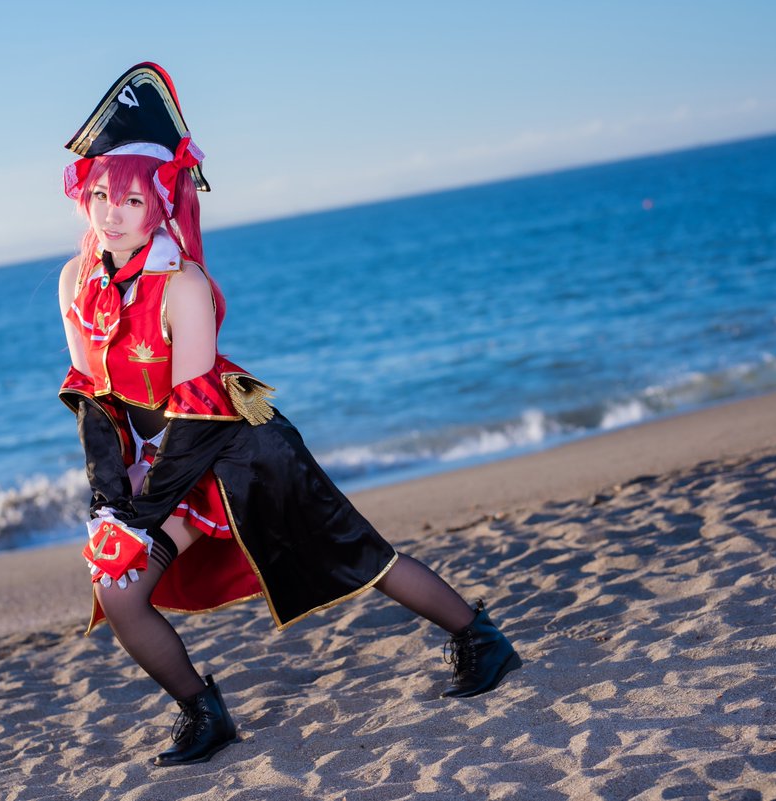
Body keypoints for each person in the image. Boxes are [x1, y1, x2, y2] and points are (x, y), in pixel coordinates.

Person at [56, 63, 521, 767]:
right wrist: (108, 503)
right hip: (160, 461)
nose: (111, 212)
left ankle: (479, 637)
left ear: (162, 200)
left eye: (131, 197)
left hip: (237, 452)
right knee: (119, 592)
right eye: (100, 194)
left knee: (357, 554)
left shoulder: (182, 284)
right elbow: (95, 399)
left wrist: (142, 516)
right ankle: (204, 713)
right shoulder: (75, 281)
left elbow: (199, 415)